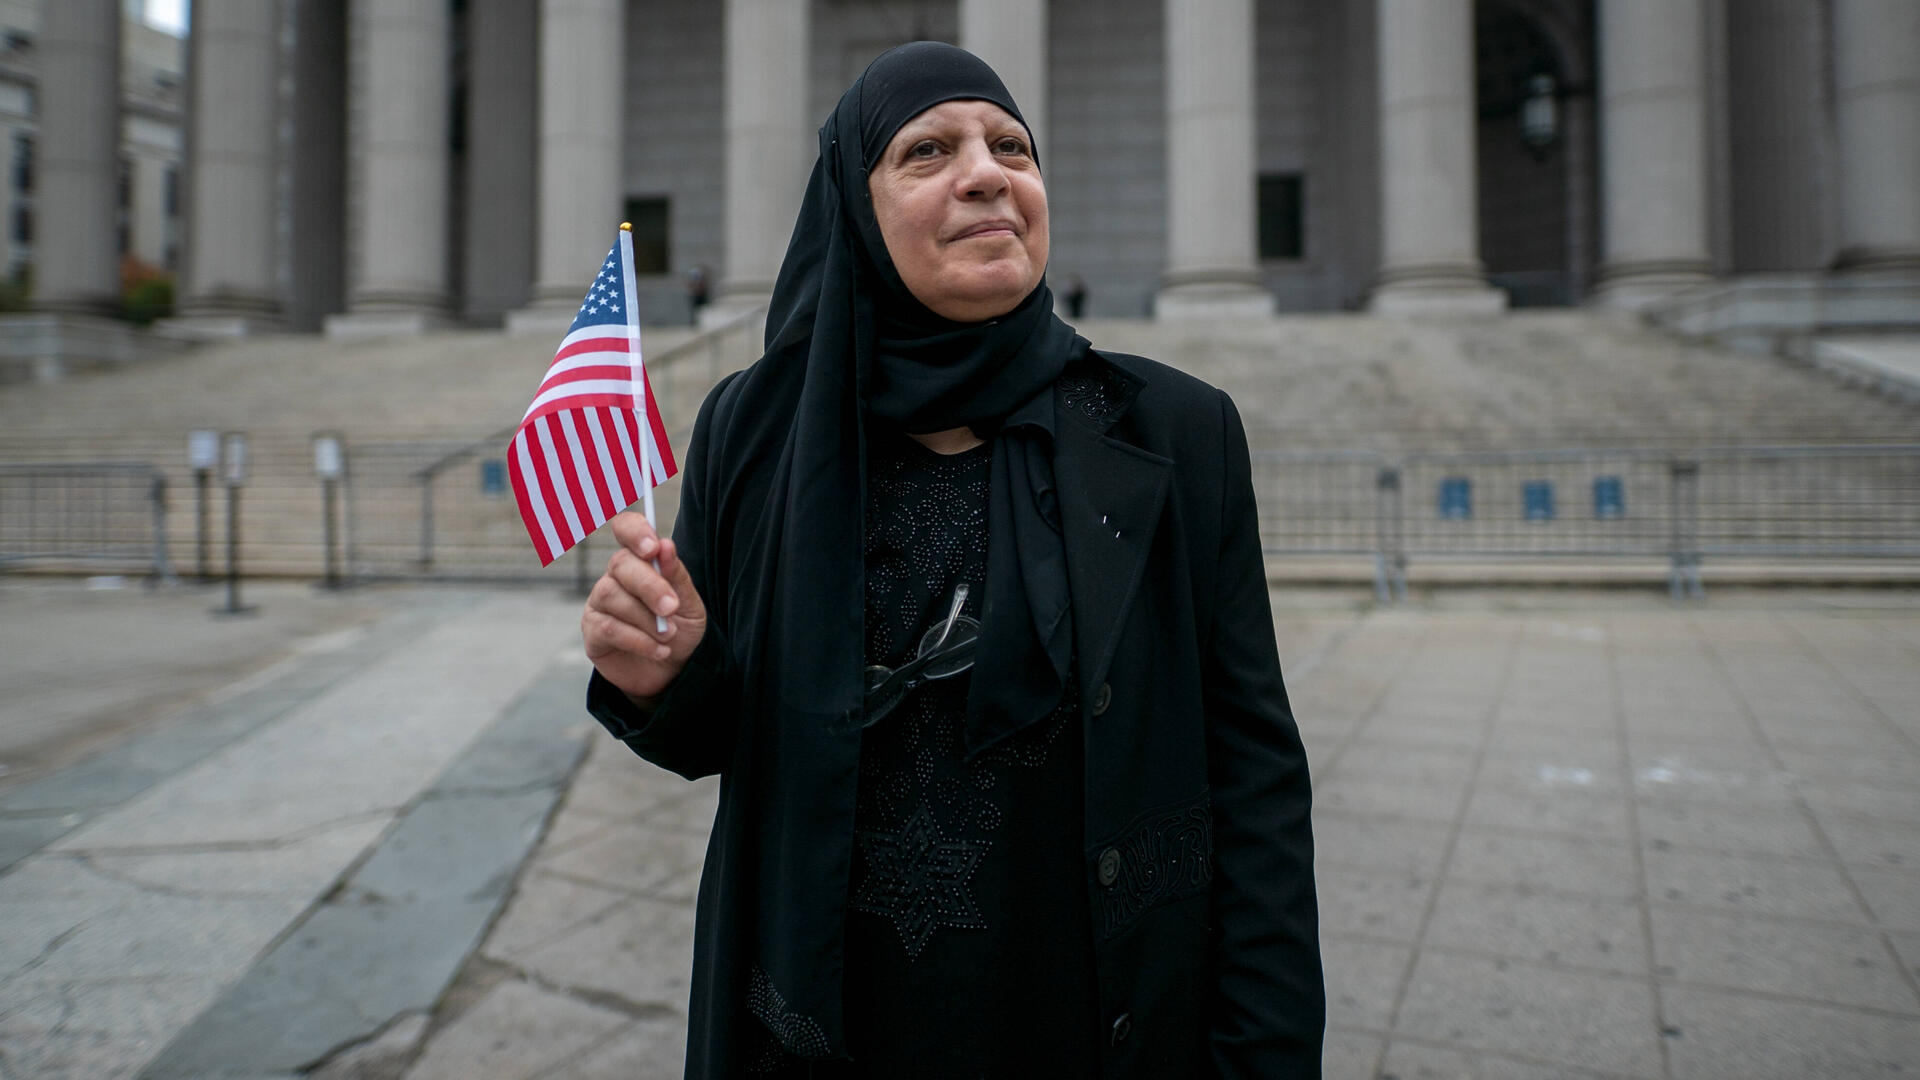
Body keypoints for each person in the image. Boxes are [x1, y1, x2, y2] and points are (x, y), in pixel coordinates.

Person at [581, 41, 1322, 1079]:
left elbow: (1255, 781)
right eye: (926, 150)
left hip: (1090, 1017)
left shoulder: (1173, 432)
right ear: (855, 208)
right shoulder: (756, 431)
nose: (988, 171)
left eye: (1012, 146)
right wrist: (666, 678)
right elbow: (726, 743)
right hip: (822, 1019)